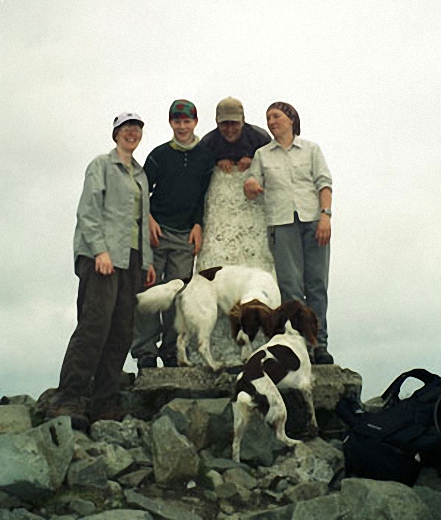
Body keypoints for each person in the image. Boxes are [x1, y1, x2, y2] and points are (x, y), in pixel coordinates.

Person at [46, 112, 155, 430]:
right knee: (95, 324)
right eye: (126, 129)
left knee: (122, 329)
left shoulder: (140, 174)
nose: (132, 133)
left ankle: (104, 402)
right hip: (102, 258)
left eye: (136, 129)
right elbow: (88, 211)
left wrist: (146, 263)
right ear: (115, 134)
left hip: (131, 260)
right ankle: (68, 397)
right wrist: (99, 251)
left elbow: (140, 221)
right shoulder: (101, 166)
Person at [244, 102, 334, 364]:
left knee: (317, 285)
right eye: (268, 117)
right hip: (281, 224)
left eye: (276, 116)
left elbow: (324, 184)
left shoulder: (311, 149)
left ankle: (319, 344)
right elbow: (251, 185)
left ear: (291, 119)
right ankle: (299, 346)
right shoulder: (262, 154)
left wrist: (325, 216)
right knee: (291, 288)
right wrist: (250, 184)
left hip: (313, 222)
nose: (271, 121)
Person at [131, 100, 214, 369]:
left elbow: (203, 195)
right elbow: (142, 191)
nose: (182, 126)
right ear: (170, 123)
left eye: (187, 121)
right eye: (177, 121)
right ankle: (145, 350)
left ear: (195, 122)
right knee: (149, 290)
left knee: (177, 294)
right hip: (155, 233)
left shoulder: (205, 156)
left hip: (184, 237)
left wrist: (198, 225)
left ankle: (170, 350)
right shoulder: (158, 155)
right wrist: (149, 219)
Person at [196, 97, 273, 272]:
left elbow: (271, 163)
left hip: (252, 206)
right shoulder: (208, 142)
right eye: (224, 124)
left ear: (243, 120)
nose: (229, 129)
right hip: (222, 208)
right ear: (217, 122)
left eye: (234, 123)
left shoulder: (259, 138)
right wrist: (217, 161)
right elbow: (201, 173)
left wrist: (254, 159)